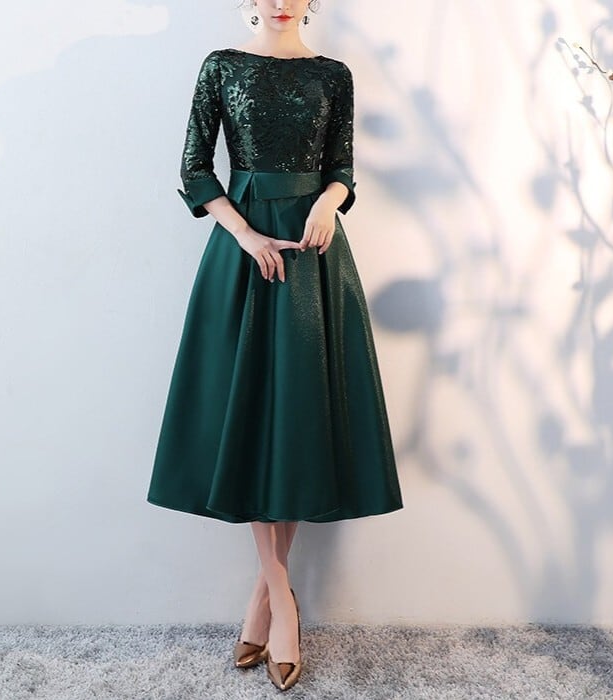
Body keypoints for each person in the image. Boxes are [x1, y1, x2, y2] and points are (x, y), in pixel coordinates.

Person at [146, 0, 403, 691]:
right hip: (246, 252)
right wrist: (246, 235)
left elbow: (342, 165)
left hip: (314, 256)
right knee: (257, 414)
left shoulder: (333, 74)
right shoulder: (221, 67)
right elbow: (194, 168)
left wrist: (327, 202)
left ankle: (265, 597)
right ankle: (285, 600)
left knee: (295, 418)